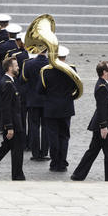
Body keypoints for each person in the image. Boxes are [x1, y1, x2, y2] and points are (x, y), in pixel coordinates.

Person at [71, 61, 108, 181]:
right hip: (104, 125)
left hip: (104, 124)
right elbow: (102, 109)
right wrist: (104, 126)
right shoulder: (102, 87)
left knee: (93, 151)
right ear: (104, 72)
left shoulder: (104, 84)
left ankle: (78, 174)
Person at [37, 45, 77, 173]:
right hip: (66, 107)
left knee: (52, 136)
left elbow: (40, 90)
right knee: (64, 136)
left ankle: (54, 163)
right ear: (65, 57)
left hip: (51, 108)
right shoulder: (72, 69)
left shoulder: (46, 70)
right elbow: (76, 87)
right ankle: (63, 163)